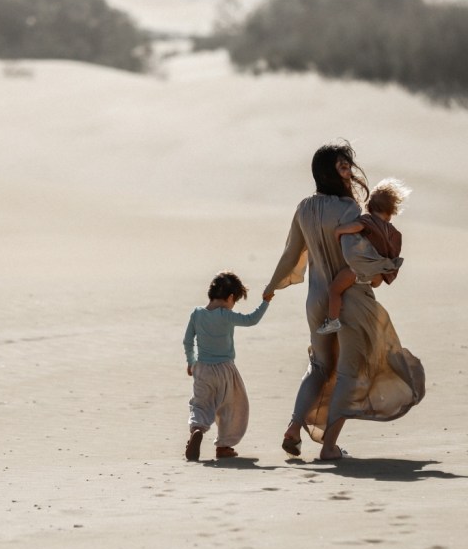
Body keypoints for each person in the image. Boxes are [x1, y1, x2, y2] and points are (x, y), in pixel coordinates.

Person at [263, 142, 425, 461]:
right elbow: (354, 256)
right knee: (350, 372)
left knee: (319, 367)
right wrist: (384, 268)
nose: (348, 171)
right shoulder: (349, 209)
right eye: (342, 166)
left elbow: (291, 254)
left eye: (348, 165)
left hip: (315, 300)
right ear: (328, 172)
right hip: (351, 300)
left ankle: (293, 428)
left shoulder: (304, 208)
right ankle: (329, 448)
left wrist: (272, 285)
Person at [182, 271, 273, 461]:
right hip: (225, 369)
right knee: (232, 406)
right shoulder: (226, 315)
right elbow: (251, 319)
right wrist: (265, 301)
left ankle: (197, 429)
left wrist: (191, 362)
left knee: (200, 404)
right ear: (231, 297)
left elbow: (188, 341)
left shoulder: (197, 314)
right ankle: (223, 446)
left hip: (202, 368)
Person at [317, 178, 410, 335]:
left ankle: (333, 320)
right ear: (391, 212)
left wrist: (339, 231)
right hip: (376, 277)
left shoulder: (368, 220)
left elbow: (356, 226)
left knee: (334, 290)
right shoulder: (393, 233)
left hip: (356, 271)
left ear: (369, 207)